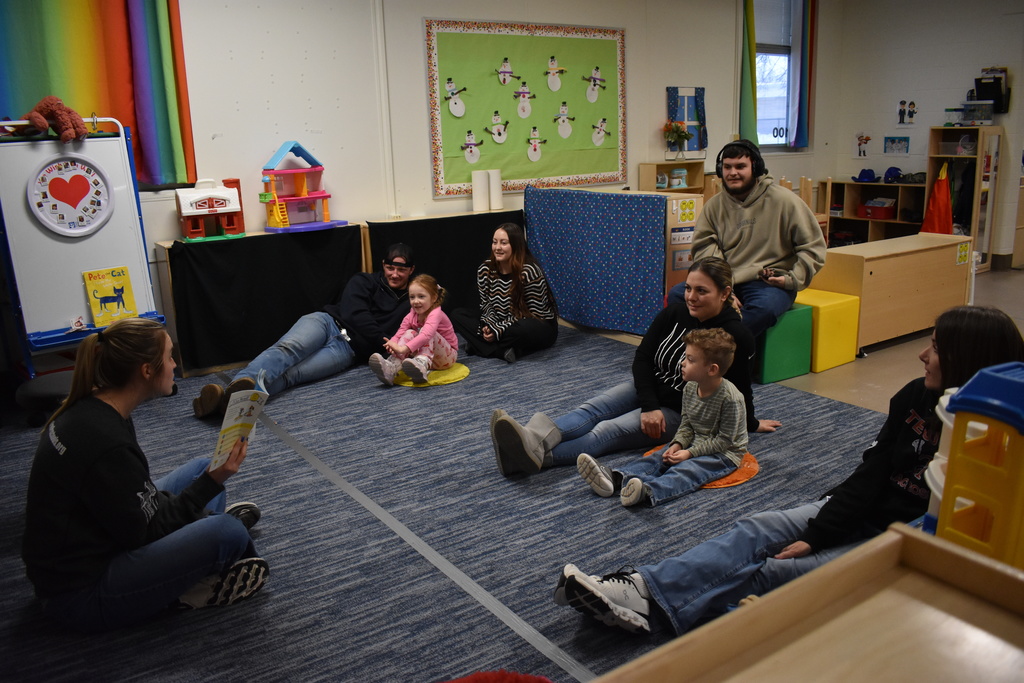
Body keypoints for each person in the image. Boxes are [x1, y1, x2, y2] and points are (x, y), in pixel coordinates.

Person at [553, 305, 1024, 635]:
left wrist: (820, 536)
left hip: (905, 540)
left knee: (776, 575)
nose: (923, 354)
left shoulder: (998, 441)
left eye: (937, 348)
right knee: (755, 529)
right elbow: (871, 473)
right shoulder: (914, 396)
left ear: (968, 361)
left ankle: (656, 610)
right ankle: (639, 589)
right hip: (854, 507)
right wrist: (823, 526)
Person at [21, 318, 269, 633]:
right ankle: (196, 575)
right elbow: (144, 531)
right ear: (146, 370)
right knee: (229, 532)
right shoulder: (107, 443)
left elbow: (135, 501)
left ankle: (198, 538)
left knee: (199, 468)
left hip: (97, 543)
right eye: (168, 356)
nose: (175, 365)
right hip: (79, 596)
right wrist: (210, 485)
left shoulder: (97, 408)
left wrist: (203, 486)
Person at [491, 257, 779, 477]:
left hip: (681, 413)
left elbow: (741, 388)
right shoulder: (676, 311)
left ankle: (531, 460)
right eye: (689, 287)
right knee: (590, 411)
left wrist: (751, 423)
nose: (691, 296)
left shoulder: (736, 335)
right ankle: (529, 439)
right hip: (650, 388)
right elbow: (643, 357)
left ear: (725, 292)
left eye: (701, 291)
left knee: (604, 432)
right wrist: (649, 404)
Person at [192, 243, 415, 417]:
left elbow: (413, 328)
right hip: (327, 323)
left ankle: (225, 402)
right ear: (383, 265)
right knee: (287, 350)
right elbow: (354, 314)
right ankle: (235, 392)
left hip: (347, 351)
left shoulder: (412, 303)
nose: (394, 274)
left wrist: (387, 339)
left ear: (411, 270)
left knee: (293, 376)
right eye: (389, 267)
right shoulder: (363, 281)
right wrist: (384, 339)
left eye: (401, 270)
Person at [666, 140, 827, 337]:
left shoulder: (786, 201)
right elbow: (704, 250)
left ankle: (715, 349)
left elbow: (814, 248)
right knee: (677, 295)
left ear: (756, 167)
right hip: (724, 280)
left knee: (764, 309)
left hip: (768, 283)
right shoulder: (714, 206)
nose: (733, 173)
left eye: (740, 166)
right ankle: (697, 349)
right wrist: (724, 290)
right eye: (727, 167)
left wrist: (791, 279)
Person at [577, 328, 748, 508]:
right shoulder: (690, 388)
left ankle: (648, 491)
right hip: (696, 441)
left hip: (723, 453)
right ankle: (617, 478)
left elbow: (724, 440)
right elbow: (687, 424)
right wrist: (678, 444)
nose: (682, 363)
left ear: (712, 369)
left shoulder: (731, 399)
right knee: (659, 457)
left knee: (687, 470)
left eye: (690, 360)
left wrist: (690, 453)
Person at [450, 222, 557, 364]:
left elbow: (535, 314)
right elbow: (486, 305)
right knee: (457, 315)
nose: (497, 247)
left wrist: (497, 330)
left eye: (504, 243)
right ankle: (502, 351)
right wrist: (490, 324)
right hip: (501, 322)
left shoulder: (529, 271)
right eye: (495, 242)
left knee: (524, 329)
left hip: (533, 324)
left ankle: (479, 346)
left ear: (516, 246)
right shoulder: (485, 269)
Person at [369, 273, 459, 385]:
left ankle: (422, 364)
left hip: (447, 358)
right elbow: (401, 331)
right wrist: (393, 343)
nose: (416, 301)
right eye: (412, 297)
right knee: (409, 332)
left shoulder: (436, 313)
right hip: (429, 355)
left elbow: (426, 335)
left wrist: (403, 349)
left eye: (421, 296)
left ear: (434, 298)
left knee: (427, 333)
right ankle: (392, 367)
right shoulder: (413, 313)